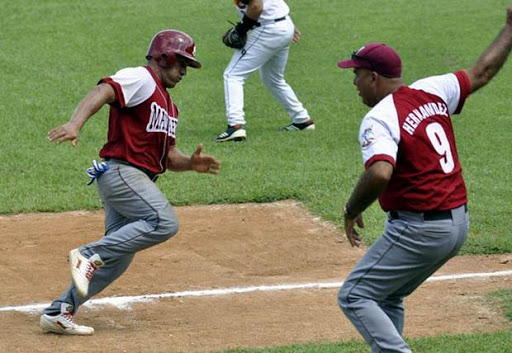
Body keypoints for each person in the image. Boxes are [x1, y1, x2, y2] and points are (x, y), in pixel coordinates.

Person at [336, 5, 512, 352]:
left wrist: (351, 208)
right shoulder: (432, 90)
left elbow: (380, 171)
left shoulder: (380, 117)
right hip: (457, 224)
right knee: (388, 295)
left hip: (420, 228)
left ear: (373, 77)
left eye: (356, 74)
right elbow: (483, 71)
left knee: (354, 296)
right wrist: (510, 28)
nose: (354, 82)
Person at [41, 29, 221, 335]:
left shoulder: (169, 105)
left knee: (117, 259)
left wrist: (190, 164)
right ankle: (86, 252)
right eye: (182, 63)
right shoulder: (140, 78)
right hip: (123, 174)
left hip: (133, 180)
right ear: (165, 56)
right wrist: (75, 123)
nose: (184, 71)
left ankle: (60, 311)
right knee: (164, 222)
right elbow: (103, 91)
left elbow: (167, 157)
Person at [215, 0, 314, 142]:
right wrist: (288, 24)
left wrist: (240, 30)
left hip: (268, 29)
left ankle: (235, 126)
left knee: (233, 75)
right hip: (282, 25)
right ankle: (302, 120)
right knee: (273, 79)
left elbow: (256, 6)